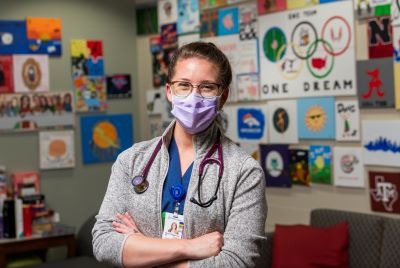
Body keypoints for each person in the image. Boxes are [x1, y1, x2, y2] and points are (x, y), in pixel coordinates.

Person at [92, 42, 267, 268]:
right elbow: (104, 243)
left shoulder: (244, 172)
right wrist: (190, 248)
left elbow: (236, 262)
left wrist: (142, 248)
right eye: (183, 85)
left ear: (222, 97)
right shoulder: (132, 160)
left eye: (207, 87)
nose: (194, 97)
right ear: (169, 92)